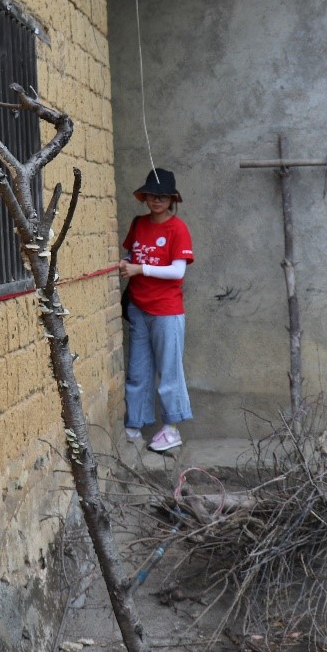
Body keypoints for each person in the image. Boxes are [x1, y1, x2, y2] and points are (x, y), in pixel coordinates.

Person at [118, 167, 195, 452]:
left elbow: (177, 271)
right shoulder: (139, 223)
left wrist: (140, 269)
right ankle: (134, 425)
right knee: (138, 370)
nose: (157, 200)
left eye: (162, 196)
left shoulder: (178, 228)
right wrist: (126, 263)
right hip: (138, 307)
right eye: (152, 195)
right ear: (145, 198)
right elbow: (131, 254)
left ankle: (172, 428)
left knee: (169, 370)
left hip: (166, 310)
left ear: (172, 199)